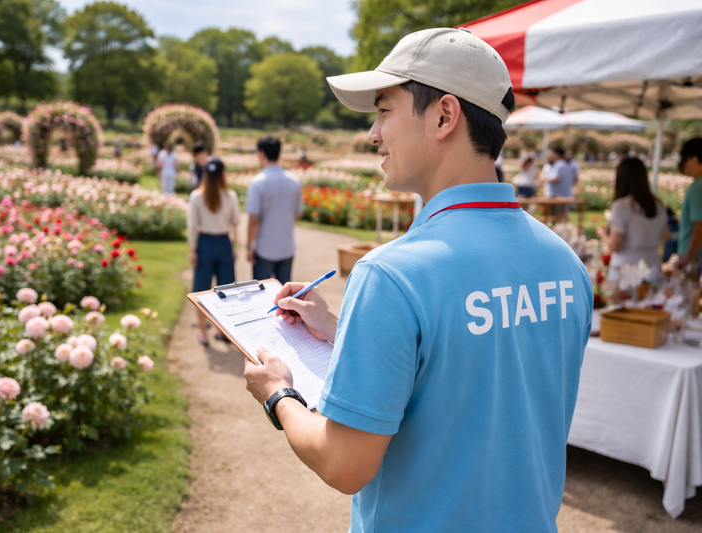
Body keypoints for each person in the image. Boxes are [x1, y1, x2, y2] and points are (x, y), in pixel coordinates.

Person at [243, 28, 592, 533]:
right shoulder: (565, 263)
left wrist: (279, 394)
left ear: (445, 116)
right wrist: (344, 331)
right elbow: (477, 371)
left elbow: (344, 464)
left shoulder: (391, 274)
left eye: (385, 110)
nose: (373, 133)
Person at [187, 157, 240, 346]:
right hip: (224, 243)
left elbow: (192, 226)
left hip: (205, 244)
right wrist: (235, 246)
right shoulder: (230, 196)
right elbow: (235, 223)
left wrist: (192, 249)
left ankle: (203, 332)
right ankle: (220, 330)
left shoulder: (196, 196)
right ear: (223, 173)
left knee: (201, 290)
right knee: (226, 291)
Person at [245, 135, 303, 285]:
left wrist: (249, 246)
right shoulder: (294, 181)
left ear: (261, 154)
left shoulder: (257, 182)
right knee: (284, 294)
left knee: (261, 294)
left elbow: (253, 219)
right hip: (286, 247)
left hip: (265, 248)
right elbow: (298, 213)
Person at [597, 158, 668, 274]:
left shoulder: (621, 206)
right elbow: (665, 236)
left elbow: (615, 245)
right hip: (653, 264)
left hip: (626, 267)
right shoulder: (658, 205)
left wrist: (604, 234)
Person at [678, 138, 702, 265]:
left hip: (696, 260)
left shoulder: (697, 188)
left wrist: (687, 260)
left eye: (684, 159)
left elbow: (700, 229)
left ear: (694, 159)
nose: (682, 164)